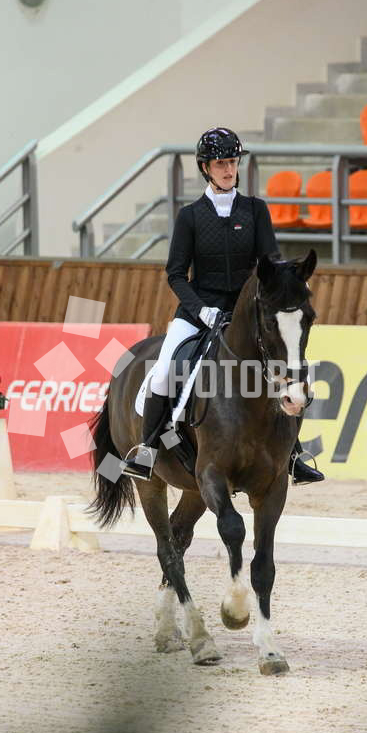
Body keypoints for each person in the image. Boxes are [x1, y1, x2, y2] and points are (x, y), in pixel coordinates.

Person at [122, 127, 324, 486]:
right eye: (221, 164)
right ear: (205, 168)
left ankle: (293, 455)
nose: (229, 170)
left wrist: (291, 282)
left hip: (246, 315)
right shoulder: (190, 216)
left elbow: (270, 261)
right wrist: (201, 309)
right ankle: (148, 450)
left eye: (232, 162)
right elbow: (175, 274)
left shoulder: (255, 210)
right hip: (198, 312)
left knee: (286, 368)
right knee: (165, 371)